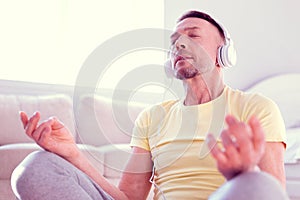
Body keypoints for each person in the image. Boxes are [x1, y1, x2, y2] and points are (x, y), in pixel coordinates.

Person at [11, 10, 289, 200]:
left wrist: (245, 174)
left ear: (223, 54)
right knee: (37, 167)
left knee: (258, 186)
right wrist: (72, 153)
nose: (180, 43)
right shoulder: (153, 117)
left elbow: (274, 191)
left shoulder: (256, 107)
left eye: (193, 35)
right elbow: (129, 198)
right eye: (174, 41)